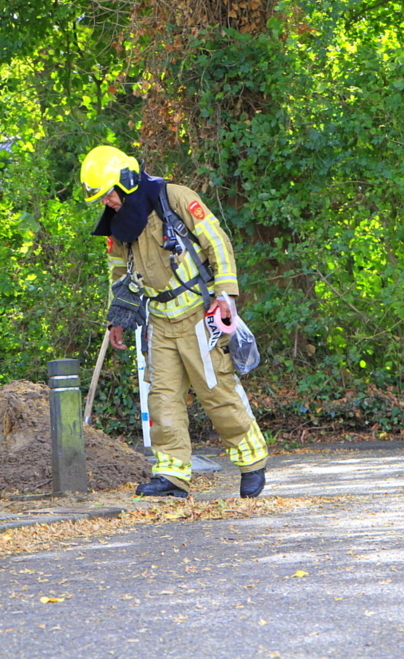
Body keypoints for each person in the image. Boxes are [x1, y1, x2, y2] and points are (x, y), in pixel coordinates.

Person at [80, 145, 268, 498]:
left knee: (217, 392)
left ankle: (251, 461)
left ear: (126, 180)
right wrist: (117, 317)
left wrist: (226, 293)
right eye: (102, 198)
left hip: (199, 314)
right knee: (162, 398)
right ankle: (172, 474)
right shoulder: (118, 226)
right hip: (160, 320)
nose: (107, 202)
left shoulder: (174, 198)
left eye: (108, 194)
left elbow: (217, 241)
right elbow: (119, 272)